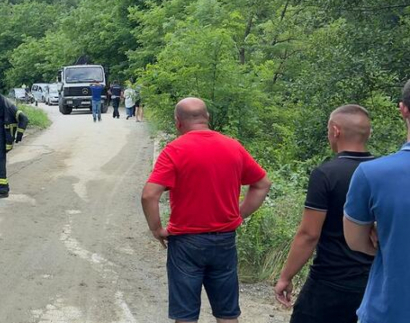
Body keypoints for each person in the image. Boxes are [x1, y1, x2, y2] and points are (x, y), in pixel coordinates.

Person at [141, 97, 271, 323]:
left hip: (185, 242)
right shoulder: (233, 146)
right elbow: (262, 184)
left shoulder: (174, 150)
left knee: (186, 315)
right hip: (224, 240)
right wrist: (238, 214)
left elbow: (149, 195)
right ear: (207, 117)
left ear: (178, 122)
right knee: (227, 313)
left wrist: (157, 229)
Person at [274, 105, 375, 323]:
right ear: (369, 134)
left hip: (330, 282)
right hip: (375, 281)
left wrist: (285, 277)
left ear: (335, 131)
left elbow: (309, 234)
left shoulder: (326, 174)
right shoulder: (383, 171)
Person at [343, 79, 410, 323]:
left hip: (389, 310)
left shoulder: (372, 174)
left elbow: (357, 241)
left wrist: (390, 238)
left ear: (403, 108)